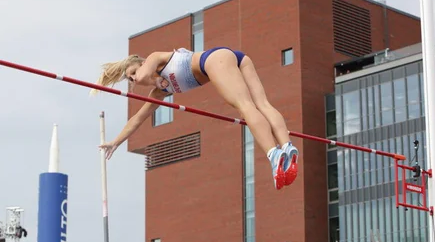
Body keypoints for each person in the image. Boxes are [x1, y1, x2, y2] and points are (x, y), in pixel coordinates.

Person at [93, 46, 299, 189]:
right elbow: (137, 119)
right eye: (130, 78)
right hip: (234, 58)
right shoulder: (159, 93)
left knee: (246, 106)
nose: (133, 79)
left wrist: (152, 80)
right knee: (261, 105)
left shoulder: (155, 58)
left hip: (213, 60)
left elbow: (145, 74)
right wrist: (116, 142)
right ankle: (287, 148)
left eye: (133, 73)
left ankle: (274, 154)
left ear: (143, 63)